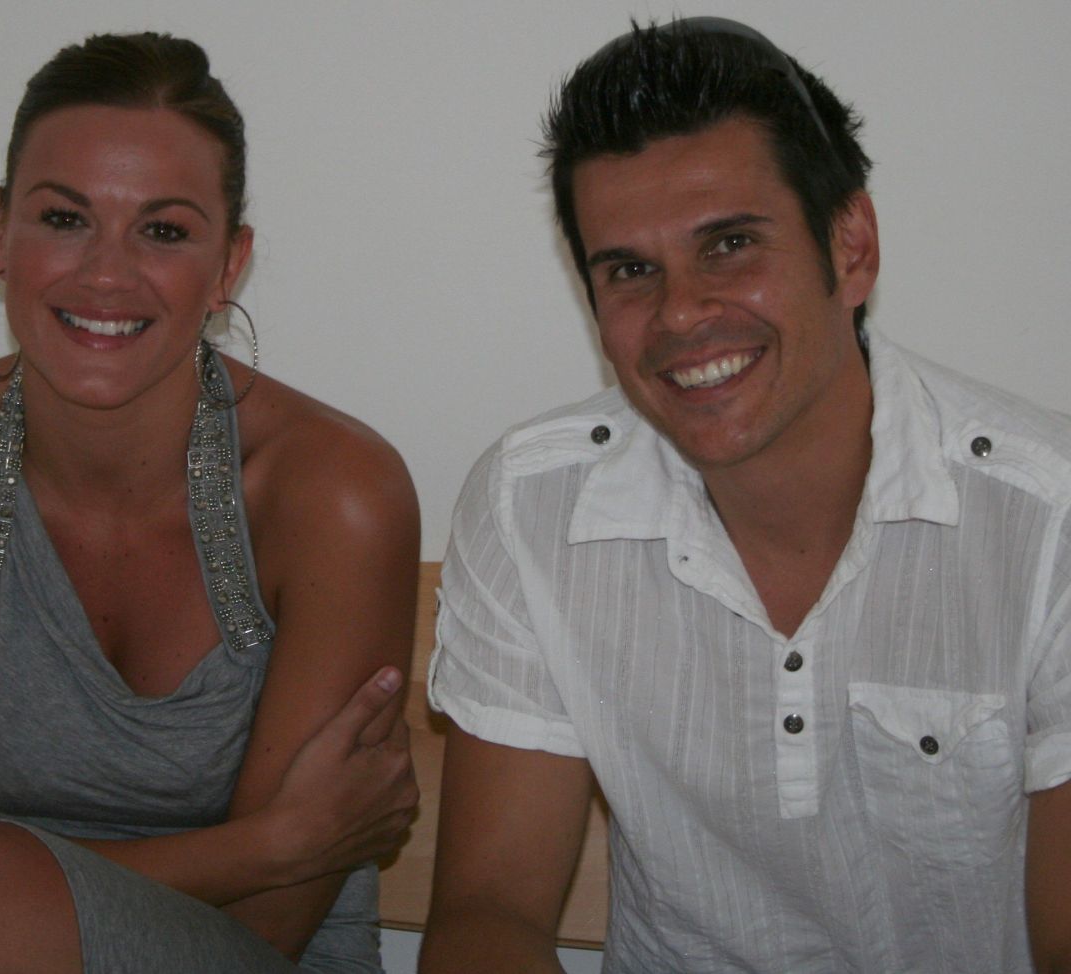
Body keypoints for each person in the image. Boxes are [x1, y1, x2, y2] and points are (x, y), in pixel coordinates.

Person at [421, 17, 1071, 974]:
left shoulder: (1047, 516)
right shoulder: (532, 505)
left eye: (729, 244)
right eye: (631, 270)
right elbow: (490, 913)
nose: (681, 312)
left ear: (851, 247)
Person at [0, 32, 420, 974]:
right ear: (1, 228)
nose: (105, 274)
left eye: (163, 231)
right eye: (64, 218)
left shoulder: (332, 494)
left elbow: (271, 926)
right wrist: (275, 843)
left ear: (228, 264)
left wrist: (276, 865)